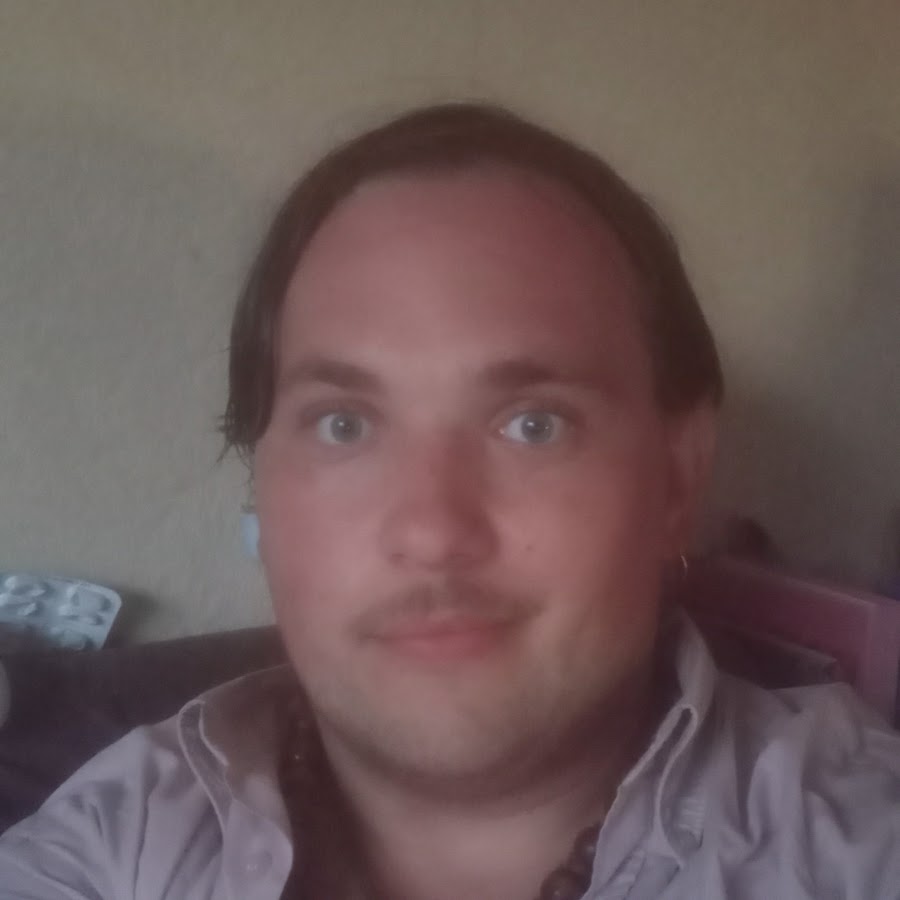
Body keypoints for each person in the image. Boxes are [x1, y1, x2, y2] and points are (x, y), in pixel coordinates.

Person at [1, 102, 898, 900]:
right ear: (261, 492)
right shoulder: (111, 846)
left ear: (678, 475)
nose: (432, 531)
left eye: (534, 424)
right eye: (345, 425)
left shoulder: (856, 840)